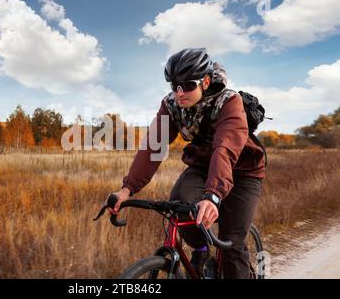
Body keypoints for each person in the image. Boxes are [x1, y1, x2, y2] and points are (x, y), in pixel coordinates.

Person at [108, 48, 266, 279]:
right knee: (180, 203)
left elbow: (224, 149)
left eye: (188, 85)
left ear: (205, 81)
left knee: (231, 244)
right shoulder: (171, 105)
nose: (180, 93)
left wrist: (212, 195)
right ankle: (201, 252)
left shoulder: (229, 101)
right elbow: (153, 146)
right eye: (174, 86)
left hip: (243, 171)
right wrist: (126, 189)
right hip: (203, 164)